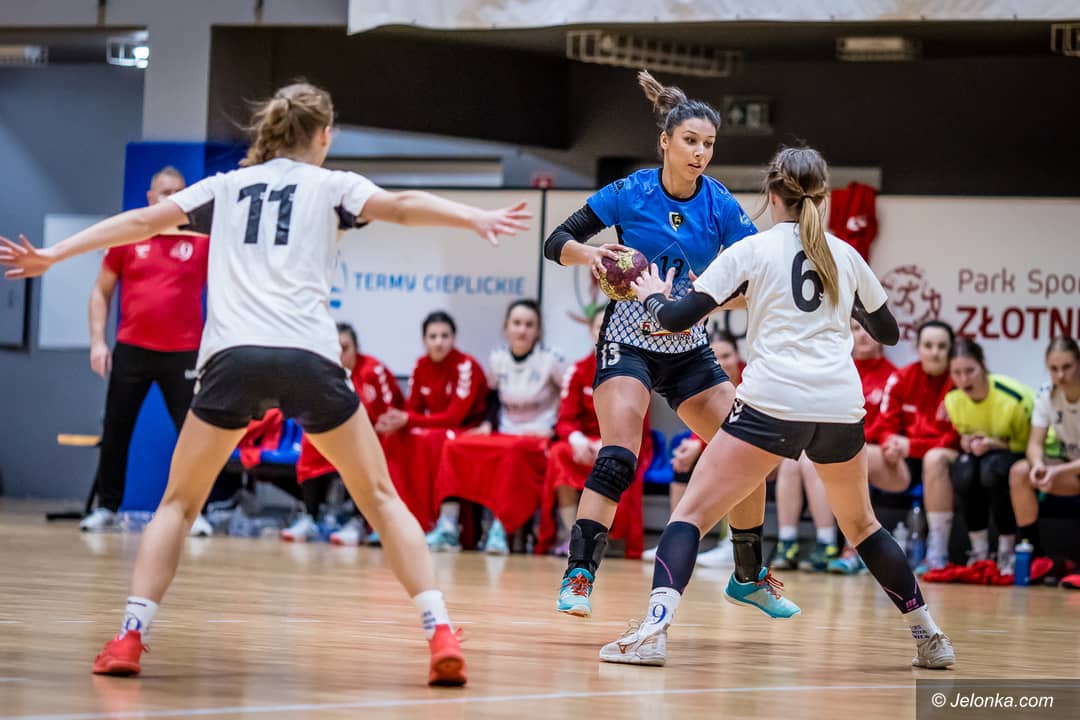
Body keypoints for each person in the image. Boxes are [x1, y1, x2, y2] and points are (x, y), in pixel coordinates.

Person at [1, 81, 531, 686]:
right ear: (324, 135)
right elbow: (404, 205)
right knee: (382, 500)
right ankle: (439, 630)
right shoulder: (333, 186)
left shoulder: (225, 187)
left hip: (233, 359)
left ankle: (129, 636)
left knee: (177, 504)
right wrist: (473, 217)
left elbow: (144, 221)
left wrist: (54, 254)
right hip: (309, 357)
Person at [600, 145, 954, 670]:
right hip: (839, 408)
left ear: (771, 195)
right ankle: (930, 637)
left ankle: (652, 631)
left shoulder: (753, 249)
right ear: (822, 199)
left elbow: (675, 318)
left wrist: (652, 292)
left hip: (773, 402)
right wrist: (842, 300)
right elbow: (888, 331)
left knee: (690, 516)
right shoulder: (844, 254)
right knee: (863, 527)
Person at [544, 70, 777, 619]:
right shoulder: (629, 193)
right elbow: (557, 241)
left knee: (747, 451)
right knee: (619, 454)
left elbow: (756, 280)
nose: (700, 153)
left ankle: (748, 577)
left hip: (690, 344)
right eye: (690, 141)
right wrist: (594, 255)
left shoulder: (719, 204)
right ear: (665, 142)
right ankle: (579, 576)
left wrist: (706, 302)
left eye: (709, 144)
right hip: (629, 339)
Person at [82, 166, 214, 537]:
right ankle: (107, 507)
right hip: (132, 349)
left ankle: (195, 512)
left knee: (193, 435)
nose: (172, 198)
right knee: (116, 428)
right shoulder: (127, 239)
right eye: (165, 192)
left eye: (179, 192)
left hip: (184, 353)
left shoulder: (202, 242)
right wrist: (97, 341)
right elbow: (100, 292)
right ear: (150, 197)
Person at [427, 299, 566, 554]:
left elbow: (570, 397)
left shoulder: (552, 359)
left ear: (538, 330)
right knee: (454, 445)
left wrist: (555, 430)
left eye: (529, 325)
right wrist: (487, 424)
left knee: (512, 454)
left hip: (537, 436)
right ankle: (448, 525)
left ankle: (501, 529)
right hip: (504, 432)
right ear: (506, 327)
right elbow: (491, 396)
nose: (522, 330)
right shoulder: (497, 358)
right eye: (517, 323)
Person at [537, 308, 652, 557]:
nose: (606, 331)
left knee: (621, 461)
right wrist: (576, 439)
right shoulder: (577, 370)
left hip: (623, 442)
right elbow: (565, 420)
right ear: (591, 331)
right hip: (585, 445)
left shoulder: (637, 371)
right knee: (559, 454)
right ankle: (573, 538)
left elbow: (639, 424)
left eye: (611, 326)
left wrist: (609, 442)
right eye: (600, 326)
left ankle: (605, 538)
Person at [280, 323, 405, 544]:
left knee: (362, 451)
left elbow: (389, 413)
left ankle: (359, 521)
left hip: (375, 434)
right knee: (311, 443)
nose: (339, 354)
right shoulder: (321, 373)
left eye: (345, 348)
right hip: (339, 435)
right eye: (334, 348)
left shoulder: (374, 370)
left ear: (356, 348)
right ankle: (310, 517)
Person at [374, 311, 489, 539]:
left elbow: (455, 417)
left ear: (454, 338)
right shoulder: (420, 365)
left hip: (467, 428)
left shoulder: (466, 365)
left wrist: (408, 419)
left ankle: (445, 524)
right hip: (436, 427)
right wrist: (396, 420)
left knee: (439, 441)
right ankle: (398, 519)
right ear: (424, 340)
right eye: (433, 336)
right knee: (393, 437)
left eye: (445, 336)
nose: (439, 342)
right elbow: (413, 408)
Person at [857, 320, 958, 572]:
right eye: (928, 346)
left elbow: (954, 438)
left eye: (941, 346)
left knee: (934, 459)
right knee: (858, 454)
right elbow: (885, 424)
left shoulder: (959, 382)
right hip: (906, 458)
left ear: (951, 350)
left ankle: (937, 554)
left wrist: (911, 446)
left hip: (945, 459)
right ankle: (854, 547)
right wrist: (889, 443)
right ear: (918, 348)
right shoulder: (902, 378)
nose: (934, 352)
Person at [642, 328, 744, 566]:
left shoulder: (750, 378)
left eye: (727, 356)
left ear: (738, 356)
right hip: (720, 443)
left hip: (759, 448)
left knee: (736, 461)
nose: (722, 363)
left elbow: (742, 425)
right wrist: (693, 445)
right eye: (715, 357)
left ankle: (732, 545)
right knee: (683, 461)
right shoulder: (707, 380)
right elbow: (705, 421)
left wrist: (699, 444)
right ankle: (677, 544)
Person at [944, 338, 1035, 573]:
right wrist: (967, 441)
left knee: (991, 470)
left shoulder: (1013, 398)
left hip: (1015, 453)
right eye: (957, 373)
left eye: (970, 371)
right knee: (963, 470)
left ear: (983, 366)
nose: (964, 379)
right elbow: (964, 433)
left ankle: (1006, 549)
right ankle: (979, 550)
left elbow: (1030, 444)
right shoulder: (952, 399)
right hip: (983, 455)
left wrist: (995, 444)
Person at [823, 318, 897, 573]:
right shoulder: (836, 371)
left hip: (875, 452)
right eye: (856, 328)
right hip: (839, 444)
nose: (863, 335)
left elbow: (888, 423)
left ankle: (854, 550)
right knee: (805, 462)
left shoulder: (893, 376)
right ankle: (823, 544)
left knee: (854, 456)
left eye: (868, 328)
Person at [1008, 336, 1080, 584]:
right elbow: (1034, 443)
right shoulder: (1046, 394)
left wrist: (1057, 472)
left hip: (1069, 469)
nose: (1060, 375)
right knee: (1020, 472)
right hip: (1070, 468)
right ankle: (1034, 556)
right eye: (1054, 368)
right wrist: (1039, 465)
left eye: (1067, 367)